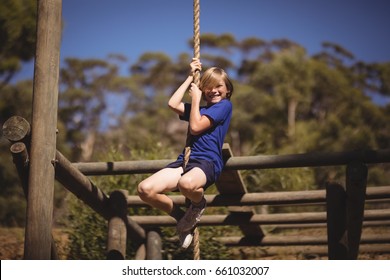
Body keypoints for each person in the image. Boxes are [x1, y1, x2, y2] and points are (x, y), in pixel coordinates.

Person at [137, 58, 233, 249]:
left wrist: (196, 99)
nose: (213, 90)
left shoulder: (224, 106)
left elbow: (196, 127)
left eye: (218, 86)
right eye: (208, 87)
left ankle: (198, 205)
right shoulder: (200, 109)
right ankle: (183, 218)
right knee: (145, 189)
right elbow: (173, 104)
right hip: (185, 162)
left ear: (227, 90)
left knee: (186, 184)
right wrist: (190, 77)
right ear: (203, 89)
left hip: (207, 162)